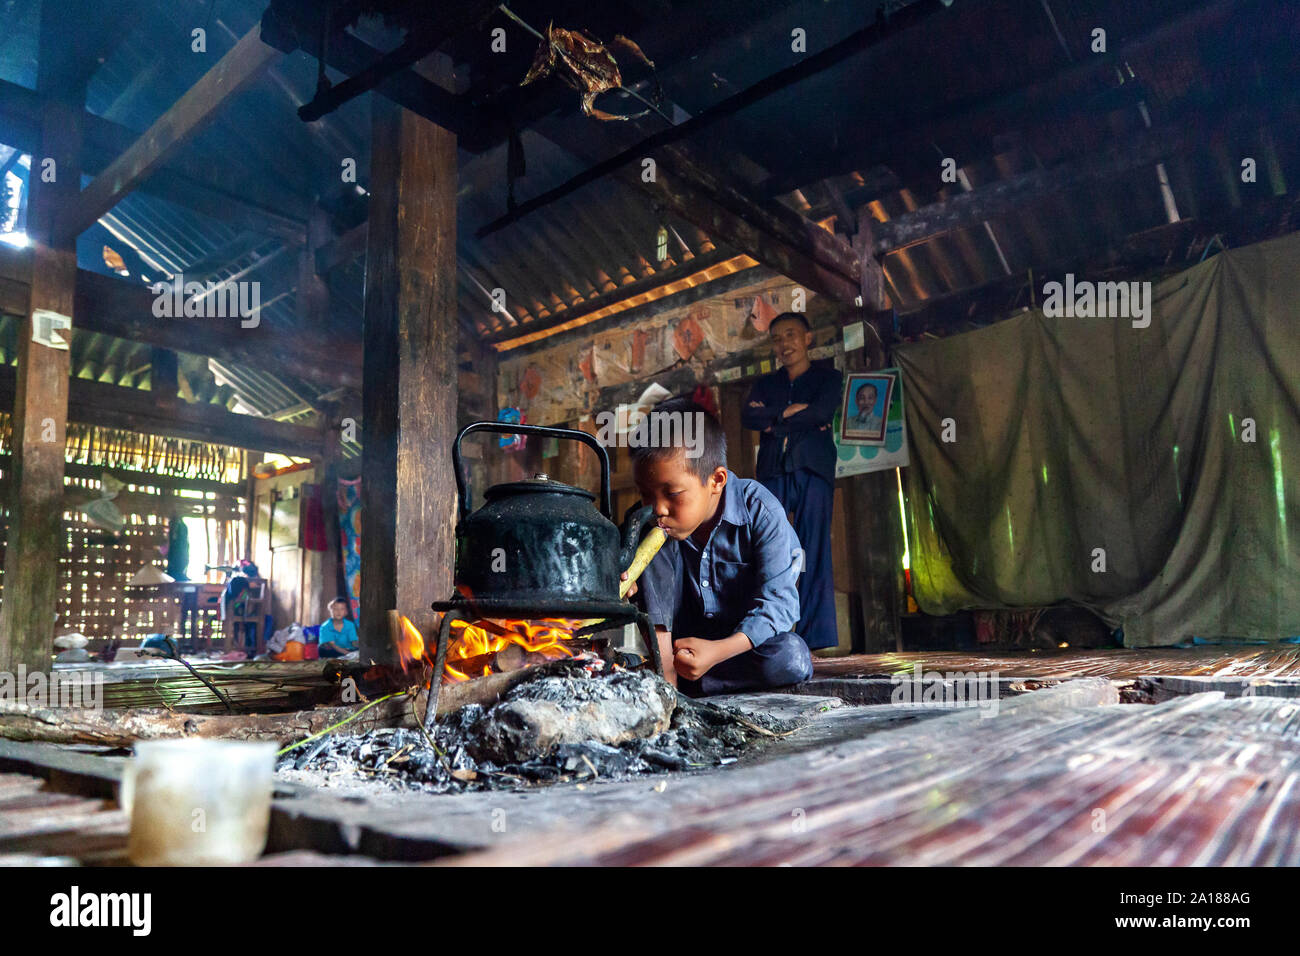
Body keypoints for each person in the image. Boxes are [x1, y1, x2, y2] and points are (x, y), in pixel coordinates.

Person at [626, 397, 813, 695]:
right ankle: (674, 682)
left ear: (716, 480)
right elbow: (656, 617)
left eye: (672, 493)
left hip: (741, 648)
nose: (658, 508)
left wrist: (717, 652)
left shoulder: (760, 511)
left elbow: (779, 605)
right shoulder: (651, 523)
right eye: (646, 494)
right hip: (682, 650)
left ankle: (694, 682)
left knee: (790, 657)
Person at [740, 312, 842, 651]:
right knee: (772, 550)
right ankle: (770, 633)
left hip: (813, 468)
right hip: (773, 471)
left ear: (807, 338)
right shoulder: (766, 384)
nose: (784, 344)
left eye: (791, 335)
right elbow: (749, 416)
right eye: (777, 339)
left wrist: (775, 421)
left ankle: (815, 637)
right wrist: (789, 413)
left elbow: (822, 413)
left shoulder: (828, 378)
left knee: (815, 549)